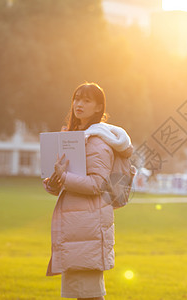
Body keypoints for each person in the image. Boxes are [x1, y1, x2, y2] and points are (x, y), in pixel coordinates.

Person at [43, 82, 134, 299]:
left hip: (88, 228)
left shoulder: (96, 141)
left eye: (86, 100)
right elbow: (73, 182)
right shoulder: (76, 136)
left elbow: (98, 184)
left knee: (90, 295)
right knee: (83, 294)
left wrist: (64, 177)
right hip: (78, 229)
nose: (79, 104)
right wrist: (54, 181)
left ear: (98, 107)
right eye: (76, 98)